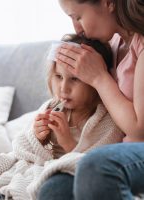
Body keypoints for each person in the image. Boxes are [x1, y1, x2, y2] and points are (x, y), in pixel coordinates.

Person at [0, 34, 123, 200]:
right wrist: (38, 138)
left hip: (51, 174)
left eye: (75, 79)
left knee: (26, 186)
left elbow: (90, 168)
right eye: (59, 76)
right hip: (28, 166)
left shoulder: (106, 122)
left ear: (93, 81)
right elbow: (22, 150)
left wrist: (67, 142)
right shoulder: (51, 107)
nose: (63, 88)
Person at [37, 0, 144, 199]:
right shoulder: (112, 45)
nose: (77, 28)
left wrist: (99, 77)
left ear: (108, 3)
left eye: (78, 17)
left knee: (96, 166)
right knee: (54, 188)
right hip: (119, 151)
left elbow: (139, 128)